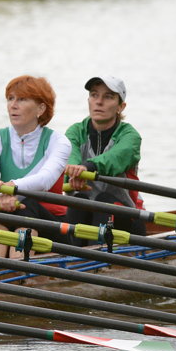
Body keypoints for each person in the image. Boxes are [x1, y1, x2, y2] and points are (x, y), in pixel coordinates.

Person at [0, 75, 73, 255]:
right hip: (6, 215)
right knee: (0, 218)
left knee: (28, 205)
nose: (13, 105)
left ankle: (17, 272)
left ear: (41, 108)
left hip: (50, 224)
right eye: (10, 99)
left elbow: (45, 180)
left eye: (22, 99)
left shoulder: (58, 142)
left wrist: (12, 188)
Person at [63, 75, 145, 239]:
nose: (99, 102)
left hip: (126, 219)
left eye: (108, 97)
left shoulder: (130, 136)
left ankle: (94, 256)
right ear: (89, 100)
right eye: (94, 95)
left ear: (120, 107)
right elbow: (69, 154)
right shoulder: (75, 131)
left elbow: (114, 158)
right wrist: (73, 170)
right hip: (84, 212)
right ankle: (75, 254)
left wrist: (87, 167)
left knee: (103, 199)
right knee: (79, 200)